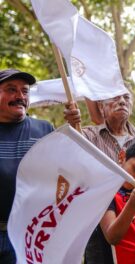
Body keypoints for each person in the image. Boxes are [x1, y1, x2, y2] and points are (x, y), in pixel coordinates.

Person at [65, 91, 135, 263]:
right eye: (114, 97)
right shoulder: (87, 136)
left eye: (126, 98)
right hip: (101, 238)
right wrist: (73, 126)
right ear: (101, 106)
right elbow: (74, 163)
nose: (121, 101)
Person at [0, 69, 54, 263]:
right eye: (11, 89)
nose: (20, 96)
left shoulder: (45, 130)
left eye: (25, 91)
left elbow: (61, 177)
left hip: (30, 235)